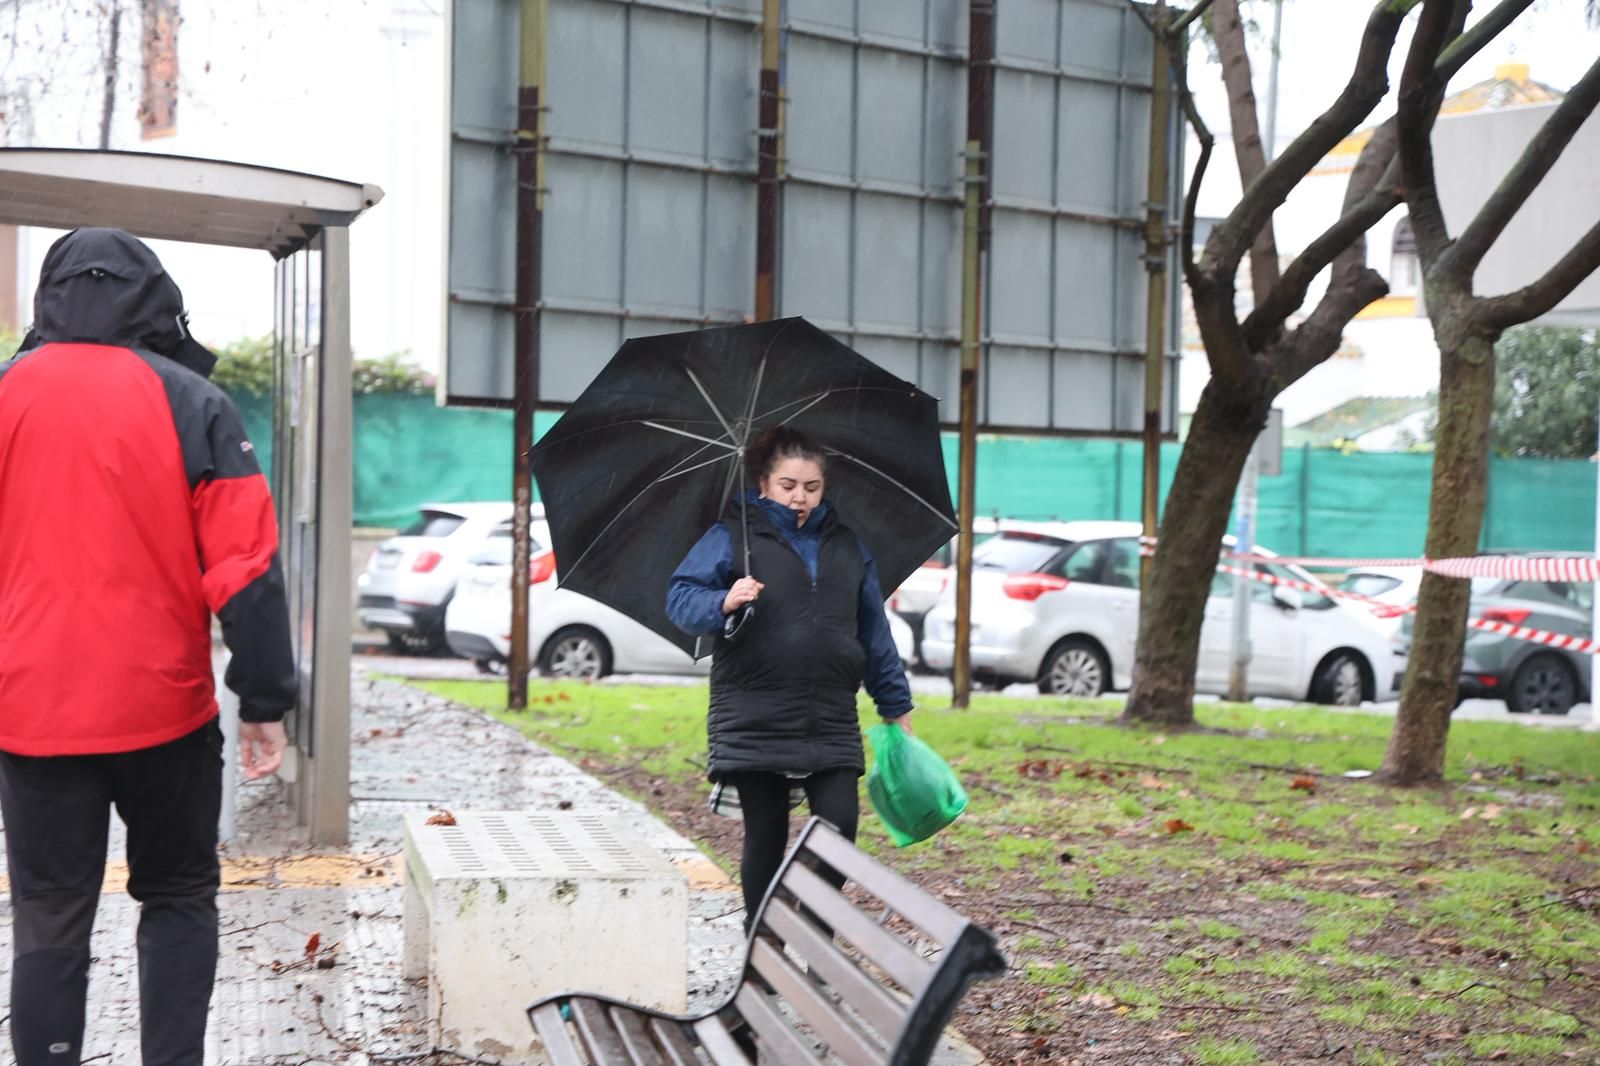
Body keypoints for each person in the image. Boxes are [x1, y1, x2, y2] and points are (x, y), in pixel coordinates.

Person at [0, 228, 297, 1065]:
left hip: (31, 712)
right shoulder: (193, 402)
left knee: (50, 912)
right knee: (177, 896)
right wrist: (266, 699)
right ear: (155, 298)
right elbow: (245, 569)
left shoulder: (7, 394)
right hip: (162, 710)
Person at [666, 426, 912, 927]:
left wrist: (895, 705)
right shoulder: (730, 537)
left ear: (824, 488)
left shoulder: (847, 546)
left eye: (811, 487)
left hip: (830, 711)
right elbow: (681, 600)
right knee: (766, 835)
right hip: (754, 708)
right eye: (788, 485)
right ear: (763, 483)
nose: (799, 496)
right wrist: (724, 600)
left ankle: (813, 935)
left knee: (839, 830)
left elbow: (874, 631)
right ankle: (764, 945)